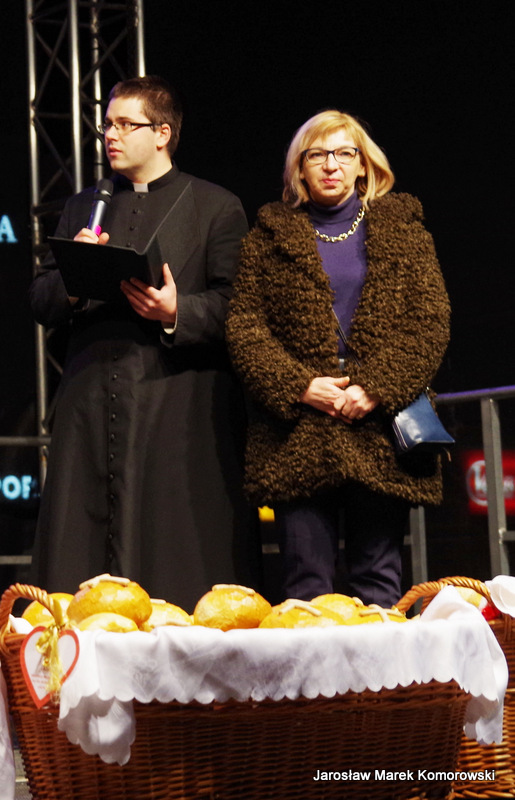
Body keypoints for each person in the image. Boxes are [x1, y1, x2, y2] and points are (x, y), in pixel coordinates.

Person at [29, 76, 258, 611]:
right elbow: (40, 300)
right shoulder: (84, 206)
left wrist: (178, 311)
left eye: (125, 125)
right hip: (89, 404)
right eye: (107, 124)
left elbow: (241, 309)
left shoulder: (216, 206)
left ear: (162, 133)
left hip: (175, 404)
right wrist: (72, 277)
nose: (110, 135)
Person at [226, 110, 450, 607]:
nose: (331, 165)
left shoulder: (405, 230)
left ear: (363, 165)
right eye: (318, 155)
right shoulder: (268, 237)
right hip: (300, 432)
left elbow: (430, 321)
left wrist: (375, 387)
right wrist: (300, 386)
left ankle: (380, 667)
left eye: (344, 153)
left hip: (379, 428)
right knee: (305, 589)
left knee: (379, 583)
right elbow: (245, 327)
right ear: (300, 168)